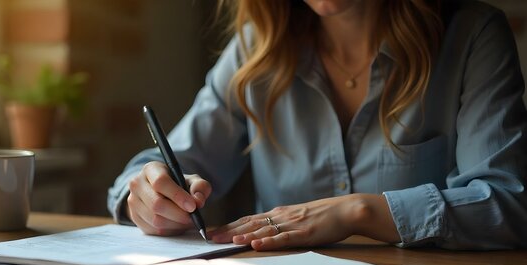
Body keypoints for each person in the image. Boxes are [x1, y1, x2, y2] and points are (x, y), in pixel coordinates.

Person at [108, 0, 527, 250]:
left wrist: (360, 211)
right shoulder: (257, 48)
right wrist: (147, 192)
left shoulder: (471, 34)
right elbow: (166, 161)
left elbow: (507, 203)